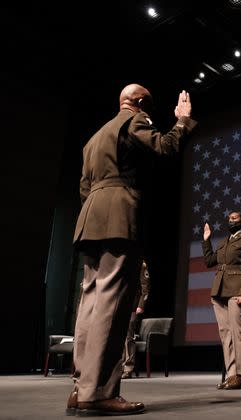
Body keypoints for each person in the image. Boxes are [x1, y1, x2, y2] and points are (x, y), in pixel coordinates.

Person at [68, 84, 196, 416]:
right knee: (112, 303)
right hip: (119, 216)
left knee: (90, 300)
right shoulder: (134, 121)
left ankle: (81, 387)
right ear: (139, 104)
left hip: (90, 219)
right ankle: (98, 392)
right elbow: (166, 148)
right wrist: (182, 120)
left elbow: (84, 187)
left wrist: (98, 208)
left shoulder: (94, 138)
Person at [202, 211, 241, 390]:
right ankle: (231, 374)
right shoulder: (224, 242)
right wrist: (206, 240)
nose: (231, 221)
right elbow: (210, 261)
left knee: (237, 333)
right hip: (219, 291)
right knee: (225, 334)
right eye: (229, 219)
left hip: (236, 291)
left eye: (235, 218)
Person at [121, 259, 151, 379]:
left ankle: (128, 368)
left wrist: (141, 305)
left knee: (128, 336)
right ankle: (118, 368)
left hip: (132, 305)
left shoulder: (140, 263)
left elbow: (145, 285)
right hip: (118, 304)